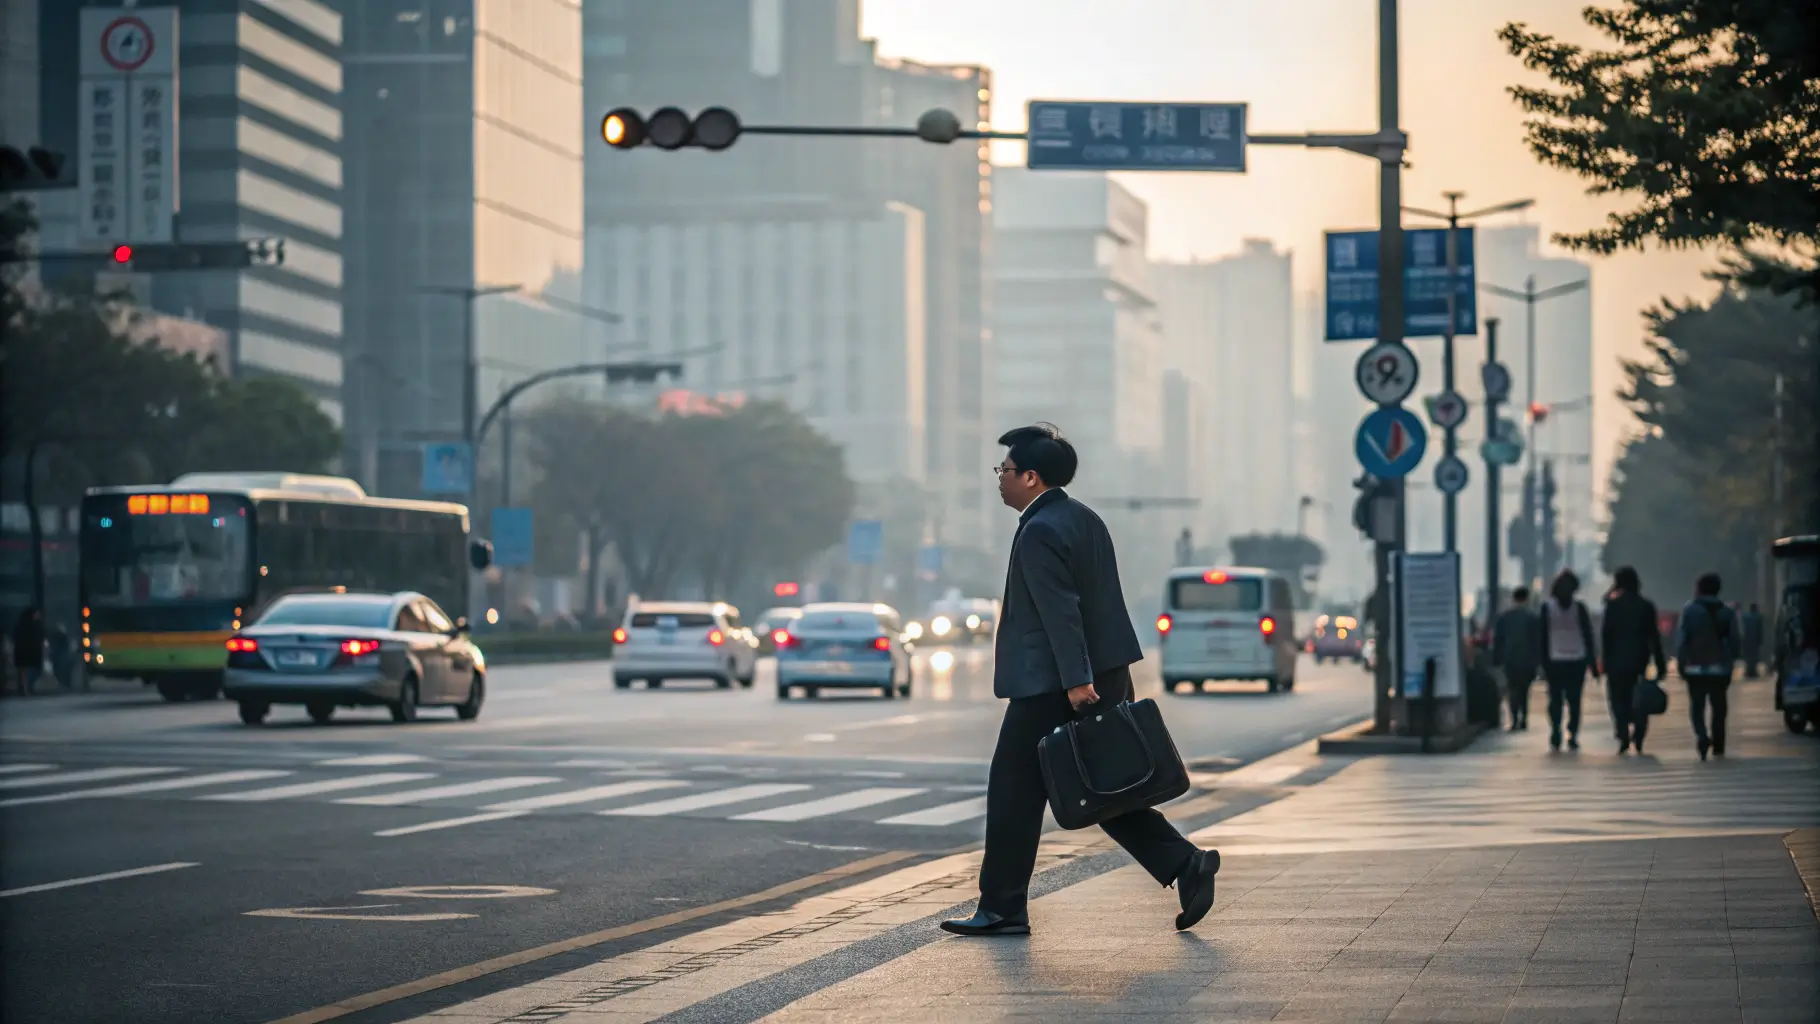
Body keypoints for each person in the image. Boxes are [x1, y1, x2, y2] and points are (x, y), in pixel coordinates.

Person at [942, 424, 1219, 938]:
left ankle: (1001, 909)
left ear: (1030, 476)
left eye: (1004, 470)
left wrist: (1075, 680)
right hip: (1098, 675)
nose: (999, 479)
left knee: (1012, 793)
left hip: (1055, 686)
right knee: (1099, 788)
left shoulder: (1040, 529)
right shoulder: (1083, 519)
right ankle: (1185, 863)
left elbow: (1060, 611)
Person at [1600, 567, 1667, 754]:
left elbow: (1606, 637)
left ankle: (1622, 733)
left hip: (1615, 662)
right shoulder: (1646, 606)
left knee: (1617, 699)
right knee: (1639, 699)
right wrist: (1660, 663)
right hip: (1639, 660)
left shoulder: (1612, 606)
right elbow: (1654, 637)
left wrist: (1604, 662)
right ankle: (1638, 734)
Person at [1675, 572, 1739, 760]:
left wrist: (1681, 662)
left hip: (1695, 667)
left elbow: (1682, 640)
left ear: (1699, 589)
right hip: (1720, 667)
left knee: (1697, 706)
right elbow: (1735, 640)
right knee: (1719, 707)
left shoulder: (1689, 610)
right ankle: (1718, 744)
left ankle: (1702, 735)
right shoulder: (1727, 612)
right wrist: (1732, 660)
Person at [1539, 570, 1599, 751]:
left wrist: (1541, 662)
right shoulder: (1579, 608)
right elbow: (1588, 636)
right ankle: (1572, 732)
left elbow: (1541, 637)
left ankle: (1556, 729)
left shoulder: (1546, 608)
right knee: (1574, 699)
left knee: (1555, 698)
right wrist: (1593, 664)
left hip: (1554, 659)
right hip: (1577, 659)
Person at [1491, 587, 1542, 730]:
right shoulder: (1532, 617)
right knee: (1524, 690)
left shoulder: (1504, 617)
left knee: (1512, 689)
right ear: (1527, 599)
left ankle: (1514, 718)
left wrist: (1497, 660)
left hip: (1510, 659)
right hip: (1527, 660)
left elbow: (1498, 640)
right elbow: (1537, 641)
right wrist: (1538, 661)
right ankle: (1524, 717)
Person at [12, 607, 45, 696]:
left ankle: (26, 688)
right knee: (24, 672)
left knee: (27, 672)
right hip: (25, 652)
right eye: (37, 614)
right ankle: (25, 689)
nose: (38, 615)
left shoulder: (35, 625)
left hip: (28, 653)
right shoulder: (28, 625)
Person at [1741, 602, 1766, 679]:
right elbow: (1760, 630)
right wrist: (1760, 640)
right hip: (1755, 639)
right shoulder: (1759, 617)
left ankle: (1748, 671)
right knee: (1754, 657)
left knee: (1748, 656)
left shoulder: (1745, 617)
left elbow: (1743, 629)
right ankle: (1753, 671)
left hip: (1747, 639)